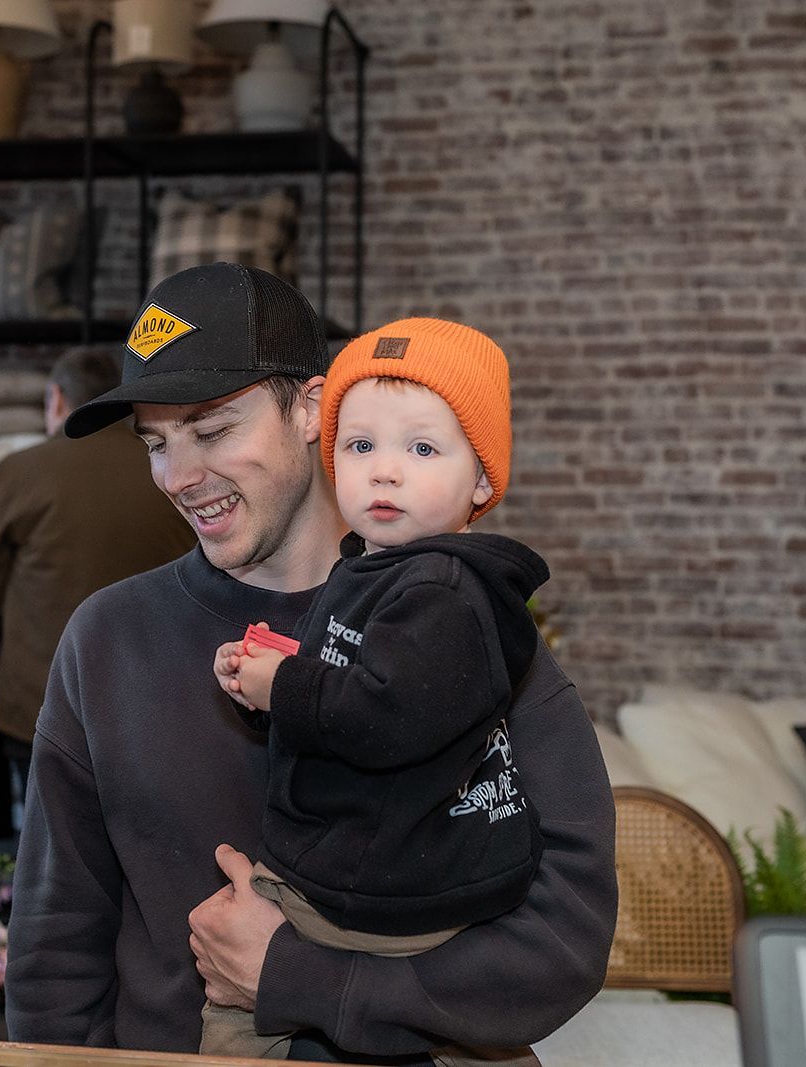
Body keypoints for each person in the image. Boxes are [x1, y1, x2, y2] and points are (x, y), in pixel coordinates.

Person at [5, 263, 617, 1064]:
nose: (180, 476)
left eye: (214, 429)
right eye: (157, 443)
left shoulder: (465, 628)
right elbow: (56, 950)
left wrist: (305, 978)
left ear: (313, 408)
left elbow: (563, 939)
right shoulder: (107, 639)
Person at [204, 318, 550, 1060]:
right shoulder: (372, 571)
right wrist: (268, 681)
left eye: (422, 448)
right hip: (400, 875)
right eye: (360, 446)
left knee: (235, 1015)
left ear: (482, 478)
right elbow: (357, 689)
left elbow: (385, 715)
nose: (384, 470)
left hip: (387, 888)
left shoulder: (446, 588)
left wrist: (286, 685)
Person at [0, 346, 196, 833]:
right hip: (158, 698)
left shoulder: (22, 471)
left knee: (49, 848)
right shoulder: (172, 470)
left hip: (43, 704)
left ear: (57, 399)